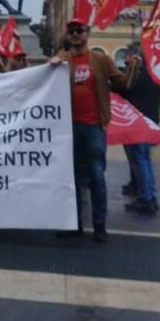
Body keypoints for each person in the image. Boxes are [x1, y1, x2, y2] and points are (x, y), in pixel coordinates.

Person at [51, 18, 128, 242]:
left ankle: (99, 225)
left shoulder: (101, 60)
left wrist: (132, 67)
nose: (75, 34)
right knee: (72, 177)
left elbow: (122, 83)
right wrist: (52, 64)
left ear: (87, 33)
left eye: (79, 31)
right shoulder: (63, 60)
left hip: (94, 126)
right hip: (69, 128)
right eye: (72, 31)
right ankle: (74, 224)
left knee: (96, 176)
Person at [120, 45, 160, 215]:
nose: (125, 60)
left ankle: (145, 198)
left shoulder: (135, 75)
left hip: (135, 122)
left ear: (134, 57)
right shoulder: (153, 75)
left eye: (127, 56)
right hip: (150, 121)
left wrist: (128, 70)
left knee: (139, 160)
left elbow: (124, 88)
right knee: (145, 159)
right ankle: (151, 196)